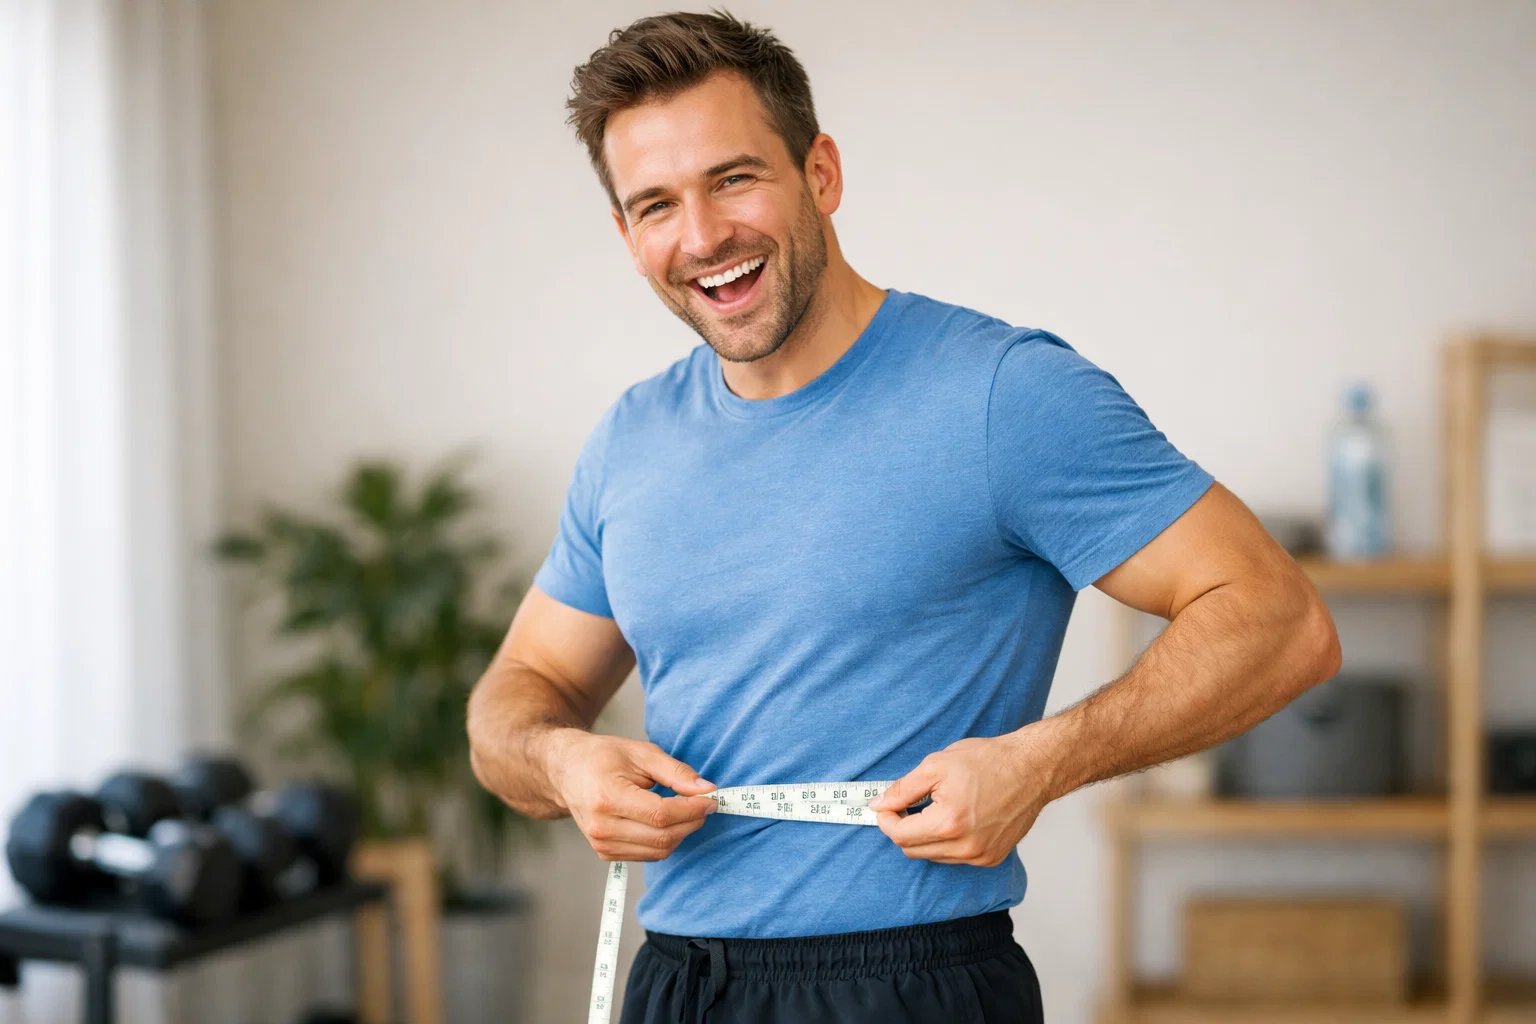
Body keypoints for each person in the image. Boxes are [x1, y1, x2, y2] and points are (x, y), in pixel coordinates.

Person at [467, 11, 1341, 1023]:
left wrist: (1042, 762)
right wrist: (564, 762)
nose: (701, 237)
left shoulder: (1004, 393)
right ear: (628, 237)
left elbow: (1280, 620)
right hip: (676, 987)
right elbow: (513, 700)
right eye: (656, 204)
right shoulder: (631, 439)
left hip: (910, 987)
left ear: (821, 174)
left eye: (734, 179)